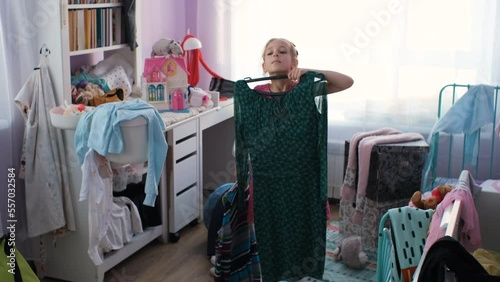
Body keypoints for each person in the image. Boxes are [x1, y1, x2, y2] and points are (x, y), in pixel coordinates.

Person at [240, 38, 353, 281]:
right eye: (270, 53)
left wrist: (311, 73)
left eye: (283, 52)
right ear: (263, 65)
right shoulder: (254, 96)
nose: (276, 55)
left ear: (294, 61)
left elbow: (347, 82)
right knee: (272, 232)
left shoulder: (307, 88)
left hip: (303, 176)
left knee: (303, 231)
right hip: (268, 178)